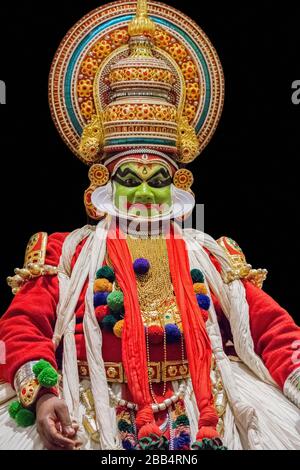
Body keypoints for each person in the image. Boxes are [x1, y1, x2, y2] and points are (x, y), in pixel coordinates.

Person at [0, 0, 300, 451]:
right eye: (128, 179)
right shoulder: (65, 252)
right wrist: (43, 397)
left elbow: (271, 330)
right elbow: (23, 328)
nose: (143, 194)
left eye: (157, 180)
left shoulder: (210, 254)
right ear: (103, 181)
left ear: (177, 184)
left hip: (205, 407)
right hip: (91, 407)